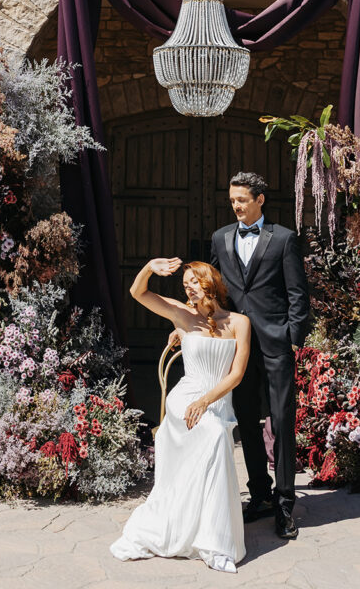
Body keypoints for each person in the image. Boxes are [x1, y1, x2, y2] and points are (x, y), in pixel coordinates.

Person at [110, 257, 251, 573]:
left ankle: (213, 537)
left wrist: (206, 401)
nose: (189, 287)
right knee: (213, 435)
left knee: (215, 432)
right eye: (185, 283)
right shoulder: (182, 315)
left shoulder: (240, 323)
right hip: (184, 400)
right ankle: (203, 537)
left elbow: (237, 374)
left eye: (194, 281)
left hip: (214, 401)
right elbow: (137, 293)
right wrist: (148, 267)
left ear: (210, 283)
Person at [210, 171, 310, 540]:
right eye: (232, 199)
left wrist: (292, 339)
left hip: (276, 344)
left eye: (242, 199)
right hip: (239, 348)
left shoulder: (283, 239)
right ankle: (260, 496)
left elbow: (298, 294)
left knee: (282, 422)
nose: (235, 205)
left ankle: (285, 506)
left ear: (260, 200)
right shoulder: (220, 239)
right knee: (247, 422)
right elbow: (216, 293)